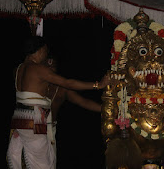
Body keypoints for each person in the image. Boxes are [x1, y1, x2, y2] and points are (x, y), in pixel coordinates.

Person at [7, 36, 109, 169]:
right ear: (40, 50)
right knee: (42, 164)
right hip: (33, 120)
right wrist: (98, 85)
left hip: (18, 119)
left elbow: (81, 100)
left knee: (18, 160)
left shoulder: (18, 69)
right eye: (45, 52)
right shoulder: (38, 70)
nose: (45, 57)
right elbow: (68, 82)